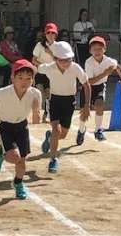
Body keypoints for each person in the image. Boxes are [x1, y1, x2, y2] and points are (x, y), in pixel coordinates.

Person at [0, 59, 41, 200]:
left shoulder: (35, 93)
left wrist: (36, 111)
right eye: (20, 77)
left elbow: (36, 119)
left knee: (22, 160)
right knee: (14, 157)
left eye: (29, 78)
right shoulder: (3, 92)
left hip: (21, 126)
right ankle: (1, 152)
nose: (25, 81)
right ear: (12, 78)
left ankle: (18, 183)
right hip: (4, 126)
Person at [38, 41, 90, 173]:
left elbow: (86, 84)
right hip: (55, 101)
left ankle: (49, 137)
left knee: (62, 135)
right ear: (56, 59)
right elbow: (36, 68)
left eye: (69, 59)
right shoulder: (49, 68)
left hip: (69, 102)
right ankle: (53, 159)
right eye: (63, 60)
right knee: (56, 130)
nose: (67, 62)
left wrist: (86, 105)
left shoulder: (75, 68)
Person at [80, 36, 121, 142]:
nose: (97, 51)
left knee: (100, 104)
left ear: (104, 49)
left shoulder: (108, 61)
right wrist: (105, 73)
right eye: (94, 49)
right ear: (90, 51)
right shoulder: (89, 62)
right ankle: (81, 130)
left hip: (100, 86)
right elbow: (90, 81)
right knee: (84, 112)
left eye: (99, 49)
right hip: (88, 87)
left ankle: (98, 130)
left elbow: (117, 67)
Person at [32, 22, 58, 122]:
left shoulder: (58, 46)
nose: (50, 35)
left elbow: (60, 61)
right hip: (40, 72)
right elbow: (34, 60)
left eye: (53, 33)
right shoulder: (39, 45)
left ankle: (46, 114)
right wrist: (42, 66)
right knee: (39, 91)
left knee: (49, 94)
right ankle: (37, 113)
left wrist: (50, 53)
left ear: (56, 34)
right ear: (45, 34)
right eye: (48, 33)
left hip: (52, 73)